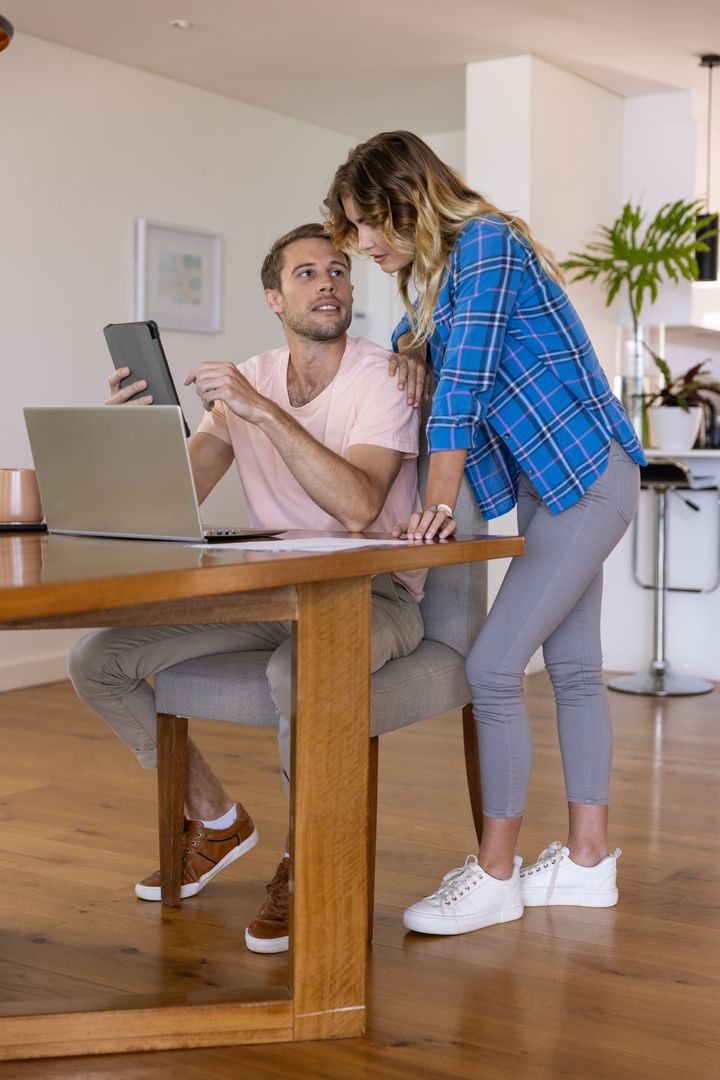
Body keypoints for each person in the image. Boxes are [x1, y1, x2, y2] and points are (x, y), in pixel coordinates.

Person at [68, 223, 425, 953]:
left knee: (299, 671)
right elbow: (177, 494)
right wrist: (136, 434)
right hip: (271, 593)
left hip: (373, 592)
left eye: (337, 271)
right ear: (273, 296)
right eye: (305, 273)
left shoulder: (384, 377)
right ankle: (219, 819)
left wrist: (265, 412)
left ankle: (305, 861)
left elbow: (358, 505)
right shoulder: (251, 378)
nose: (326, 283)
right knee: (96, 659)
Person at [324, 131, 645, 936]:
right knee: (572, 668)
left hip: (587, 474)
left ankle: (497, 874)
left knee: (495, 666)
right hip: (551, 486)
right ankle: (587, 861)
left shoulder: (489, 244)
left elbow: (463, 380)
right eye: (352, 231)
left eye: (369, 223)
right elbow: (434, 351)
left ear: (409, 198)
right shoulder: (444, 280)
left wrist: (434, 502)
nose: (362, 245)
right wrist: (406, 351)